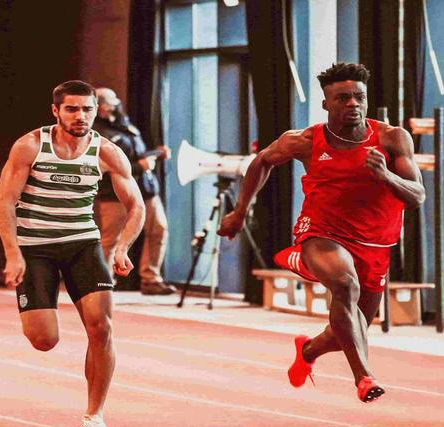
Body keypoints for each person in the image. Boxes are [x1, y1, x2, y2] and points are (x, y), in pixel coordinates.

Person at [218, 62, 425, 403]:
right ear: (326, 104)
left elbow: (417, 196)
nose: (353, 104)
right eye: (343, 98)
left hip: (375, 243)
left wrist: (386, 176)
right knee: (345, 285)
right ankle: (364, 377)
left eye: (359, 97)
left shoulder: (391, 138)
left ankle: (309, 350)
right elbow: (262, 161)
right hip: (322, 232)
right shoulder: (304, 141)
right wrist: (240, 211)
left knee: (353, 327)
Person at [0, 80, 146, 427]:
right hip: (35, 247)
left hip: (82, 244)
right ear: (56, 111)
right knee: (44, 339)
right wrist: (13, 253)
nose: (81, 116)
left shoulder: (107, 152)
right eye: (72, 109)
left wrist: (122, 247)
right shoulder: (30, 146)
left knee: (102, 327)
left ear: (96, 111)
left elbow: (137, 206)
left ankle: (95, 416)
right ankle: (40, 306)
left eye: (87, 109)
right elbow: (5, 202)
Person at [93, 87, 175, 295]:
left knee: (159, 230)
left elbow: (135, 154)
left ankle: (151, 279)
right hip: (114, 194)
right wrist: (140, 167)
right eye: (105, 103)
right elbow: (105, 165)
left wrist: (156, 154)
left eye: (111, 102)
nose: (110, 106)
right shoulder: (95, 133)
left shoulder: (125, 124)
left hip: (145, 189)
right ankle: (103, 282)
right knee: (111, 239)